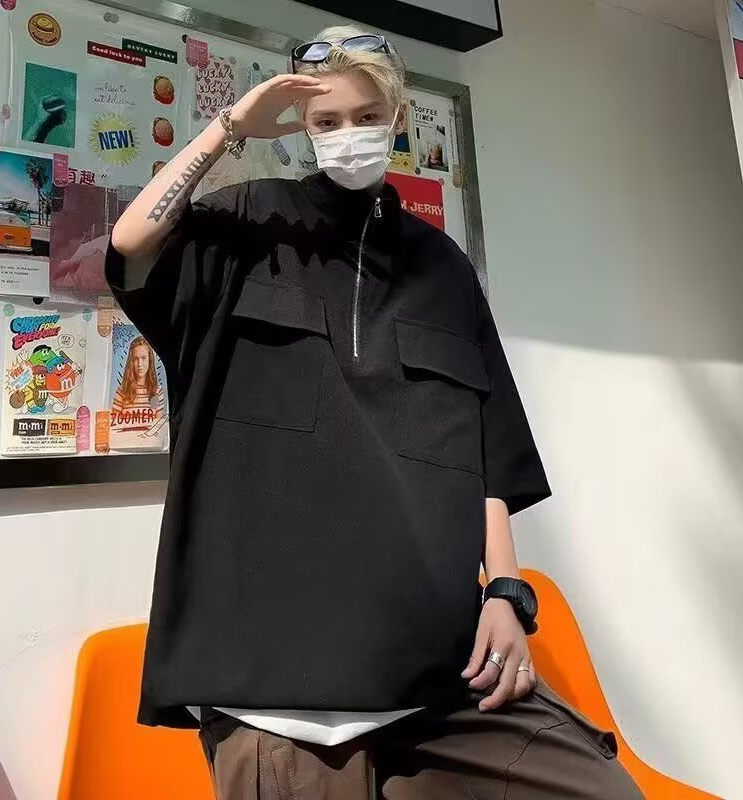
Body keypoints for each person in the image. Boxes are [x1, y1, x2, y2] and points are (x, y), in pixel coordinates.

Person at [107, 25, 643, 800]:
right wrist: (230, 128)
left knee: (605, 790)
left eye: (365, 116)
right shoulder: (248, 222)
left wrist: (505, 591)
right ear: (303, 127)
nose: (347, 135)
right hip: (277, 693)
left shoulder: (443, 269)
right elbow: (131, 243)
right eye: (326, 121)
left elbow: (486, 449)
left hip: (440, 677)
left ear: (396, 118)